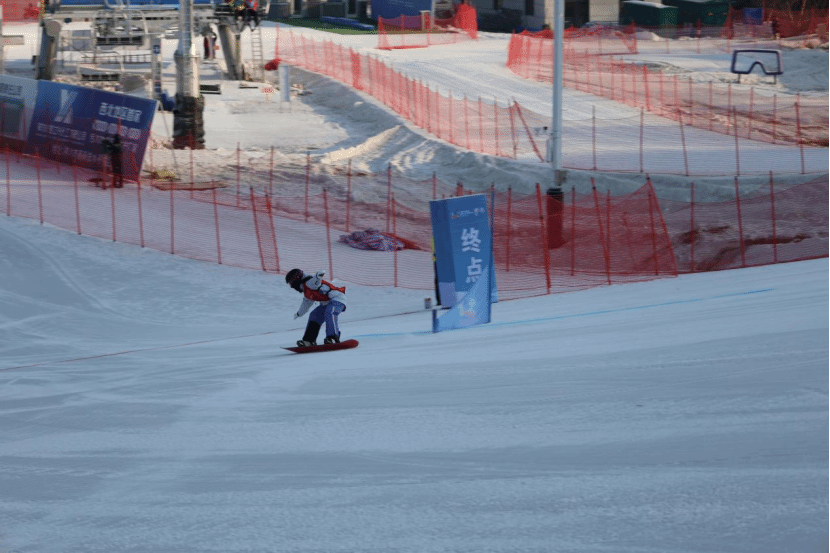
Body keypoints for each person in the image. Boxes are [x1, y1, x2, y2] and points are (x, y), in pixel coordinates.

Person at [286, 268, 347, 347]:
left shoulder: (310, 283)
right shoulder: (307, 291)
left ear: (296, 280)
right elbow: (305, 305)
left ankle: (333, 337)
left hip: (338, 299)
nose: (292, 286)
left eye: (291, 283)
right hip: (326, 303)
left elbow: (316, 280)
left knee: (330, 312)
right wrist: (298, 314)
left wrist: (319, 275)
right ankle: (309, 340)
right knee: (314, 315)